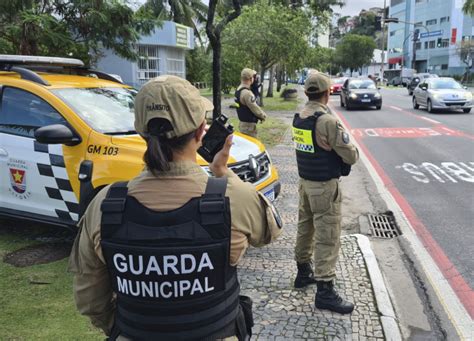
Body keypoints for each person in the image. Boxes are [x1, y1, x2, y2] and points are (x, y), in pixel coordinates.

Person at [69, 75, 282, 340]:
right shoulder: (234, 197)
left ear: (140, 132)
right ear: (200, 130)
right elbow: (270, 231)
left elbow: (90, 300)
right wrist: (222, 172)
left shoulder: (103, 206)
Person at [292, 72, 359, 314]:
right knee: (327, 236)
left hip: (305, 184)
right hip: (324, 187)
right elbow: (350, 155)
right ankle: (325, 291)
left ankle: (303, 272)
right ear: (327, 93)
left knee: (305, 227)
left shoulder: (300, 116)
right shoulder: (327, 121)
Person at [235, 68, 267, 138]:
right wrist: (263, 116)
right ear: (250, 78)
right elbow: (254, 108)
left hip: (243, 124)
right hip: (249, 127)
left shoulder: (239, 89)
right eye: (253, 77)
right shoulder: (247, 93)